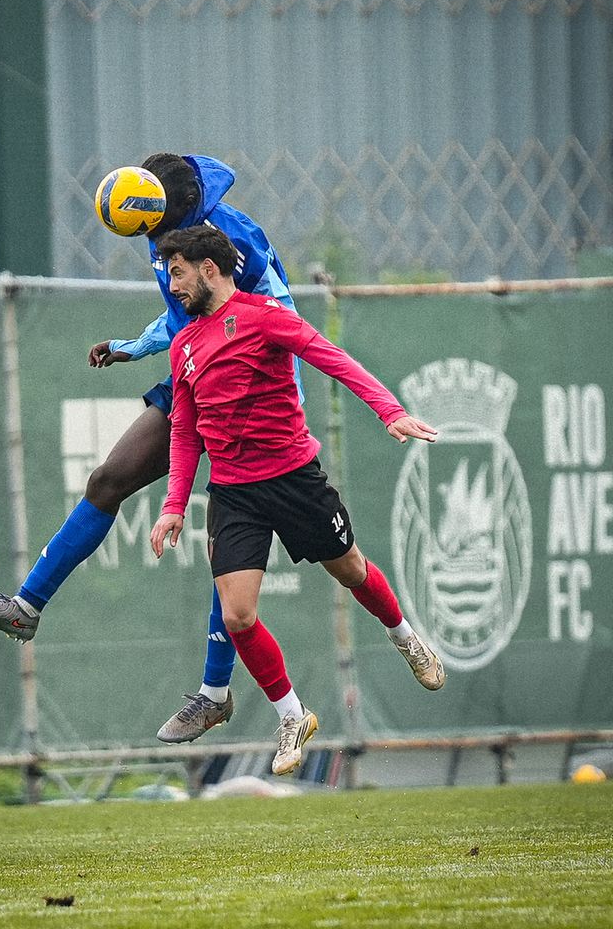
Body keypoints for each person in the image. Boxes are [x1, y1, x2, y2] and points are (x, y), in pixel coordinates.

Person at [0, 153, 302, 744]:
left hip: (251, 391)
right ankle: (27, 607)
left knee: (228, 541)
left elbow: (279, 310)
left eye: (158, 228)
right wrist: (133, 346)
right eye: (148, 232)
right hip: (192, 372)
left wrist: (251, 380)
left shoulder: (232, 235)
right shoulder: (159, 233)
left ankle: (214, 693)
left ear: (179, 208)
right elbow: (182, 311)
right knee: (107, 481)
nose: (156, 242)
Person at [149, 225, 444, 776]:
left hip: (294, 479)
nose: (172, 281)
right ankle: (292, 714)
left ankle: (405, 638)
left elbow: (332, 358)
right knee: (238, 616)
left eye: (179, 270)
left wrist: (389, 410)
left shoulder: (264, 316)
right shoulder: (185, 344)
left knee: (352, 570)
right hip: (234, 494)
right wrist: (172, 505)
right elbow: (185, 429)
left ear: (209, 269)